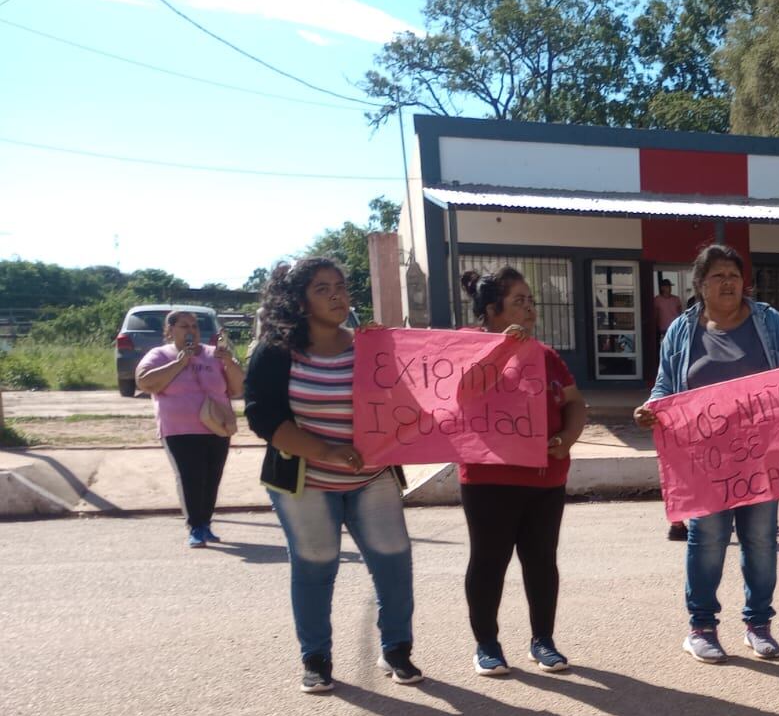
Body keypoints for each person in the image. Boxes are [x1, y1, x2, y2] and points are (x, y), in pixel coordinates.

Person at [635, 244, 779, 663]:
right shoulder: (682, 331)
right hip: (703, 461)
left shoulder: (768, 321)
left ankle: (758, 624)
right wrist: (651, 410)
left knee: (760, 540)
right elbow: (664, 388)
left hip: (762, 456)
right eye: (717, 276)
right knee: (706, 541)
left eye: (734, 275)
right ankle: (701, 627)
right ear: (700, 286)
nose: (727, 282)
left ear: (745, 282)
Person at [243, 257, 421, 693]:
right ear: (299, 300)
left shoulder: (371, 346)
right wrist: (327, 451)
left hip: (372, 478)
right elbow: (263, 419)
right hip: (306, 482)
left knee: (395, 565)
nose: (337, 295)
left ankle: (396, 650)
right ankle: (316, 659)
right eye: (322, 289)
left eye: (340, 286)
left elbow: (413, 397)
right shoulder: (276, 351)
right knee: (315, 568)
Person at [456, 267, 588, 676]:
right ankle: (487, 645)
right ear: (492, 309)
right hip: (487, 480)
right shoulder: (463, 348)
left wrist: (565, 438)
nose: (530, 309)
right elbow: (453, 394)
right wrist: (501, 351)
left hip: (544, 479)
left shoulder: (545, 355)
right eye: (519, 301)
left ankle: (543, 641)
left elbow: (574, 404)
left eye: (531, 301)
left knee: (541, 562)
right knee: (489, 561)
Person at [134, 309, 243, 548]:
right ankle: (195, 526)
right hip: (179, 429)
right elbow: (144, 382)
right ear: (170, 330)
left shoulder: (214, 354)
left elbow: (236, 388)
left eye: (194, 326)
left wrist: (229, 362)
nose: (191, 331)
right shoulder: (160, 354)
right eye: (184, 326)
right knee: (190, 476)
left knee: (212, 478)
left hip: (216, 426)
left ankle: (205, 523)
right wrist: (180, 362)